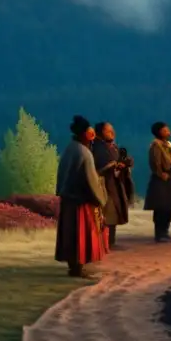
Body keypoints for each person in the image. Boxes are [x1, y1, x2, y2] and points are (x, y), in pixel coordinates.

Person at [55, 115, 109, 277]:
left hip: (68, 199)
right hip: (80, 202)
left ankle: (74, 266)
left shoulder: (70, 148)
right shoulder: (84, 153)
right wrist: (101, 199)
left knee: (70, 234)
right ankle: (78, 267)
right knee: (80, 235)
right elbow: (90, 180)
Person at [91, 121, 133, 248]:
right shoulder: (97, 148)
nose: (112, 133)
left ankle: (111, 241)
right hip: (104, 186)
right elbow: (97, 169)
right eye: (109, 131)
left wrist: (124, 165)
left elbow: (116, 162)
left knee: (113, 213)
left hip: (114, 184)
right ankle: (105, 242)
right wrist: (111, 165)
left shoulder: (112, 147)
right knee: (108, 213)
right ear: (101, 132)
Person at [144, 121, 171, 242]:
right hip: (161, 179)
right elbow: (155, 162)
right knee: (161, 207)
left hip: (170, 178)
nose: (168, 132)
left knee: (169, 207)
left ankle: (165, 230)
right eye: (165, 130)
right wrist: (160, 173)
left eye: (168, 130)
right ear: (159, 132)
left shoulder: (168, 145)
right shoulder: (156, 145)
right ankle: (159, 233)